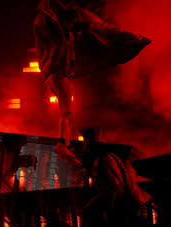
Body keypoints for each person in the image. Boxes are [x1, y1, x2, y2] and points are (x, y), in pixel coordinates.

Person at [33, 0, 150, 163]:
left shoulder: (67, 31)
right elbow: (56, 41)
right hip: (57, 71)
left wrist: (131, 38)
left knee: (67, 110)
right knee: (66, 109)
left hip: (65, 71)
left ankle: (62, 144)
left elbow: (101, 30)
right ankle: (61, 144)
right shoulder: (47, 23)